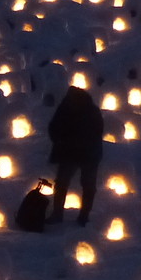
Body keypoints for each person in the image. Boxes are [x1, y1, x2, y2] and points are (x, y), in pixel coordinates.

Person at [47, 86, 104, 225]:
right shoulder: (64, 109)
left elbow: (97, 132)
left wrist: (80, 142)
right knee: (62, 182)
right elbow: (53, 127)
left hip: (89, 152)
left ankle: (84, 216)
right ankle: (57, 214)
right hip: (70, 151)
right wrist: (60, 140)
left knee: (88, 184)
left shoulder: (91, 111)